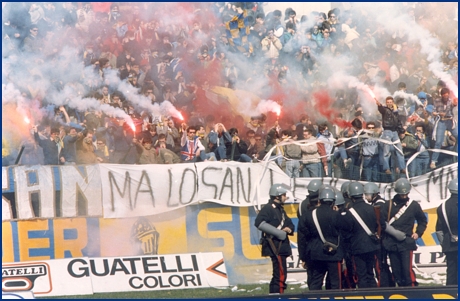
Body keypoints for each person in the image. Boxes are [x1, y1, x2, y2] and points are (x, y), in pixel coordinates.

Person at [381, 178, 427, 287]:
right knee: (396, 272)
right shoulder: (388, 204)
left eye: (406, 194)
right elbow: (382, 222)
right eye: (402, 194)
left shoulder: (413, 205)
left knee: (407, 273)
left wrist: (418, 233)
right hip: (391, 243)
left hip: (406, 242)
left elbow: (422, 220)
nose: (404, 196)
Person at [341, 182, 385, 288]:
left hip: (357, 248)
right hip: (372, 246)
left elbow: (346, 232)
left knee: (362, 276)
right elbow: (381, 224)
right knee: (370, 274)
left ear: (350, 195)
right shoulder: (372, 209)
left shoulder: (349, 212)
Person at [297, 187, 343, 290]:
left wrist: (303, 256)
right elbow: (343, 236)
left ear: (319, 200)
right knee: (335, 284)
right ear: (333, 201)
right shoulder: (337, 215)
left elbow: (302, 238)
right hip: (334, 254)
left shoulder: (307, 216)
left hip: (316, 253)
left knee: (316, 283)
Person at [254, 184, 295, 294]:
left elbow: (290, 224)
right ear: (277, 196)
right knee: (280, 275)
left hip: (280, 246)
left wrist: (289, 229)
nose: (285, 197)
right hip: (275, 246)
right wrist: (279, 233)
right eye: (284, 195)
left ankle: (274, 295)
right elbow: (259, 223)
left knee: (278, 275)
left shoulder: (280, 209)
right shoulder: (268, 209)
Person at [296, 179, 322, 289]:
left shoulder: (301, 204)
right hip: (317, 239)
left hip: (307, 242)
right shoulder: (319, 203)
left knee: (311, 273)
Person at [375, 96, 406, 176]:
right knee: (386, 151)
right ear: (386, 103)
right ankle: (387, 168)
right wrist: (379, 105)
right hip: (387, 131)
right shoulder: (385, 110)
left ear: (393, 102)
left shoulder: (395, 111)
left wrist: (401, 130)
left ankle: (402, 168)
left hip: (395, 132)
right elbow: (381, 109)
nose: (389, 103)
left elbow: (398, 121)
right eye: (387, 102)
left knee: (399, 150)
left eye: (390, 102)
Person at [435, 178, 458, 286]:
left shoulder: (442, 207)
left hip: (450, 244)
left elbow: (439, 230)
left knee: (451, 273)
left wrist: (444, 243)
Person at [430, 87, 458, 169]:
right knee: (438, 142)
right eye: (444, 96)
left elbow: (453, 106)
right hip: (441, 122)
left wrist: (454, 104)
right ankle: (433, 161)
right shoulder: (437, 101)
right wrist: (437, 113)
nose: (446, 97)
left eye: (447, 95)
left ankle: (456, 155)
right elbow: (433, 112)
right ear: (441, 95)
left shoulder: (451, 101)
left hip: (450, 121)